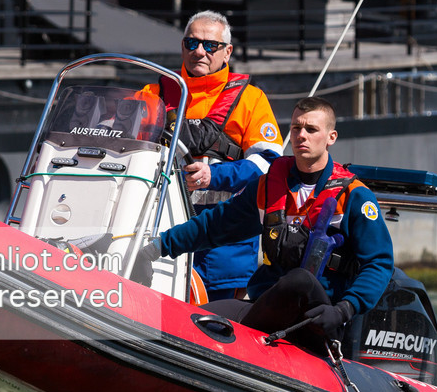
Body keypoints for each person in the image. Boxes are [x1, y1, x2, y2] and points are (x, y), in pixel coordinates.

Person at [156, 96, 393, 347]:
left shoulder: (354, 196)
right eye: (296, 128)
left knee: (300, 280)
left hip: (318, 319)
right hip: (266, 306)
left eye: (311, 129)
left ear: (331, 137)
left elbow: (379, 262)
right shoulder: (269, 186)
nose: (302, 135)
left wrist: (344, 310)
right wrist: (159, 246)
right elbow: (214, 225)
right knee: (190, 320)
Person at [140, 10, 282, 299]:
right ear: (182, 46)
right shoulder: (152, 94)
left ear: (227, 52)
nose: (200, 51)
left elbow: (268, 164)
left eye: (210, 45)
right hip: (160, 231)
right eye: (192, 43)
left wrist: (213, 175)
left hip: (224, 242)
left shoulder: (251, 100)